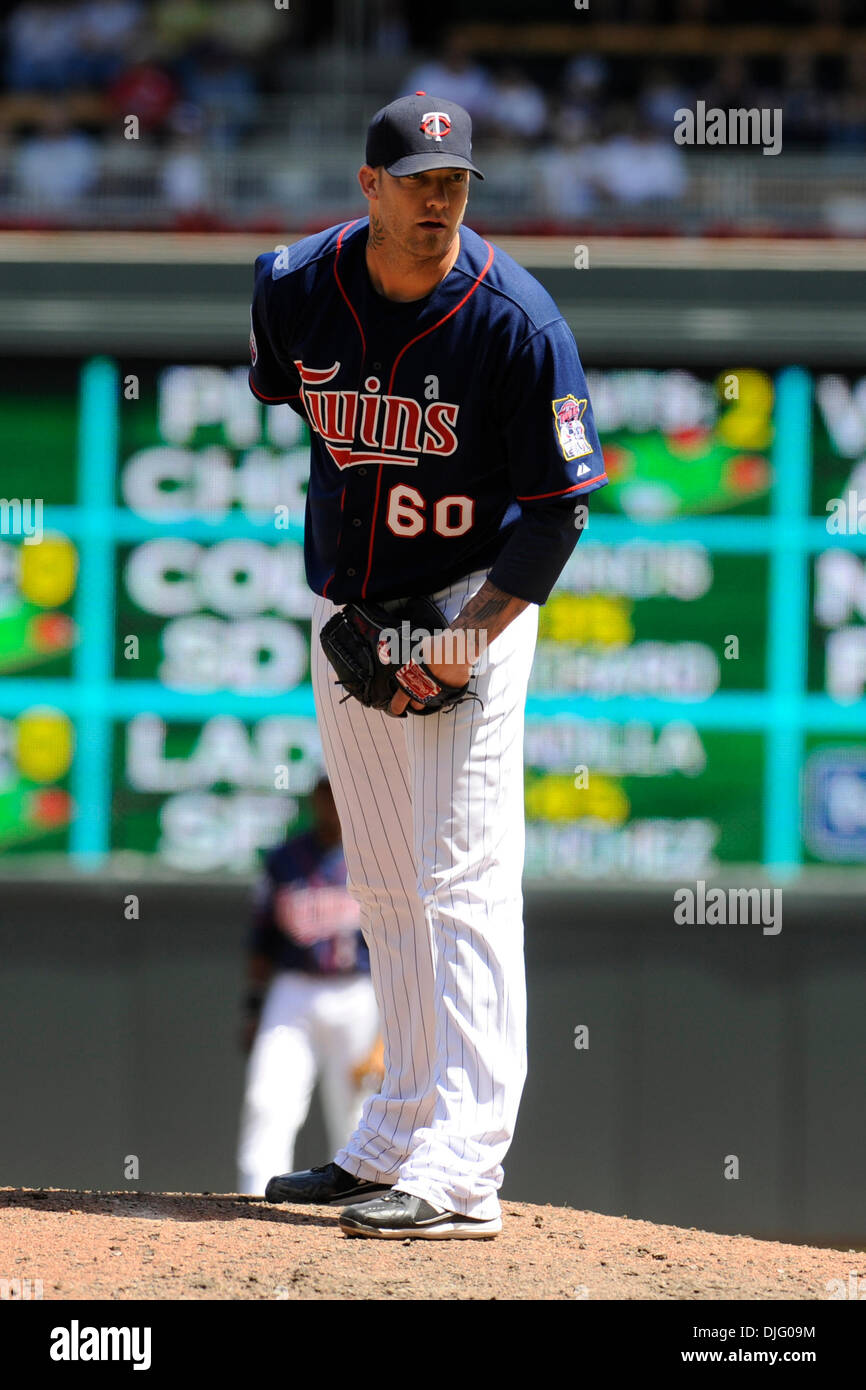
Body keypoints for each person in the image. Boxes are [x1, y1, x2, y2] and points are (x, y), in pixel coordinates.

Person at [247, 92, 609, 1238]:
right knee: (386, 880)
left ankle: (462, 1167)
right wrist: (361, 597)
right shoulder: (295, 286)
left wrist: (456, 643)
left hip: (471, 603)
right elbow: (289, 400)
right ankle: (394, 1131)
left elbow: (558, 514)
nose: (438, 198)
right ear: (369, 187)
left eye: (453, 182)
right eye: (416, 180)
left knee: (458, 874)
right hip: (350, 608)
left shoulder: (517, 321)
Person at [236, 776, 383, 1196]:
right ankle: (254, 1198)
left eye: (340, 795)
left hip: (357, 992)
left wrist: (386, 1037)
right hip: (293, 990)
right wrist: (252, 1007)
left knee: (356, 1112)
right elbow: (261, 939)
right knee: (268, 1099)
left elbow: (397, 947)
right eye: (325, 795)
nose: (332, 805)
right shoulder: (285, 859)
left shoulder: (374, 859)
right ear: (314, 800)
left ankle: (364, 1202)